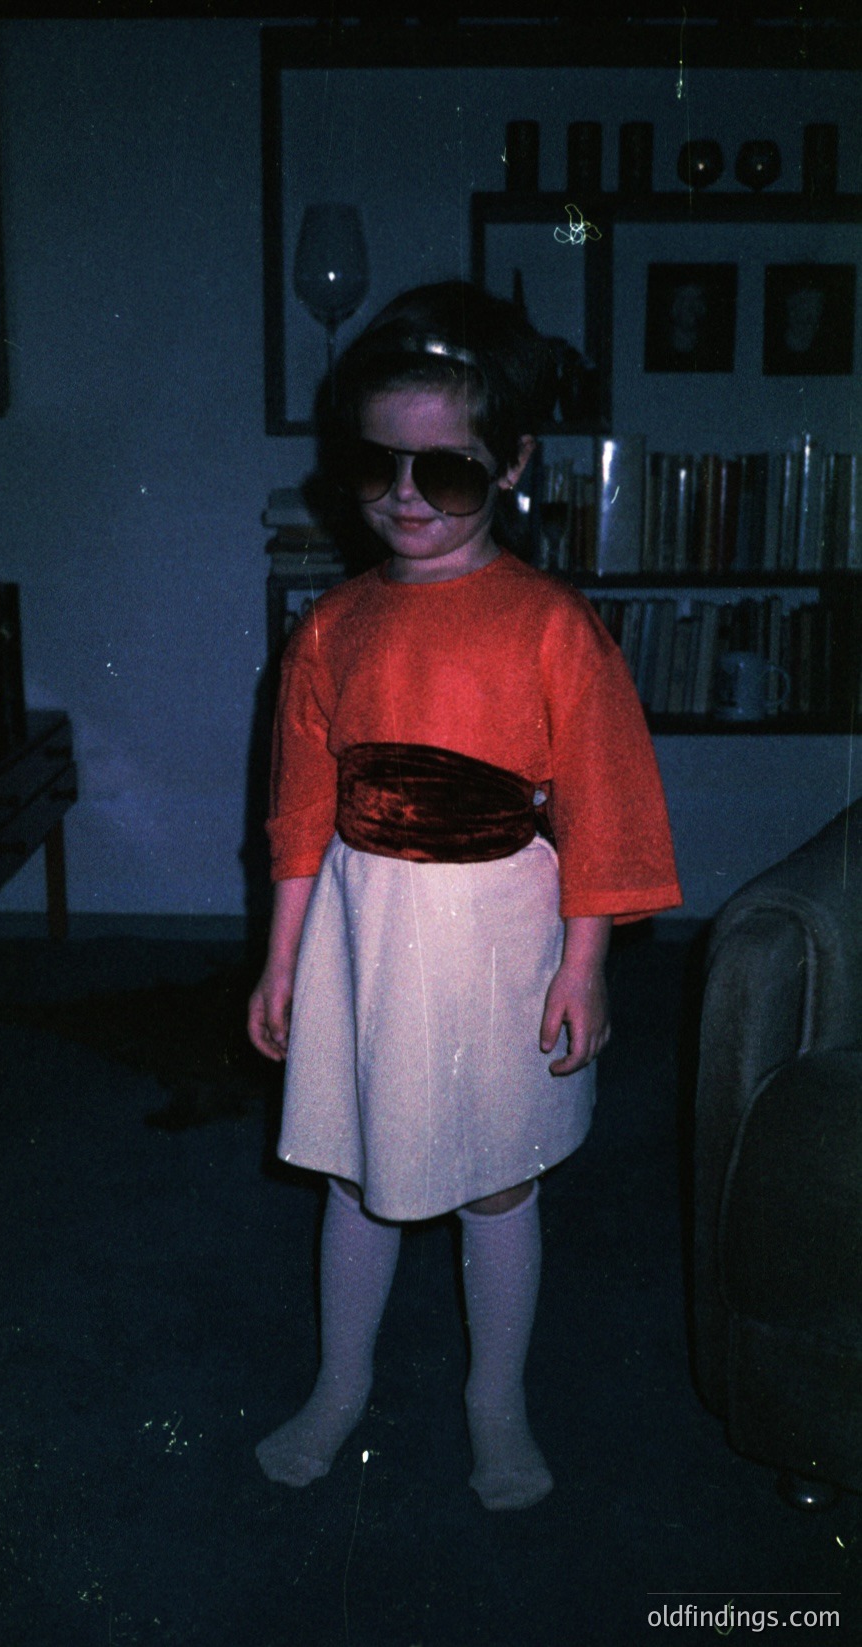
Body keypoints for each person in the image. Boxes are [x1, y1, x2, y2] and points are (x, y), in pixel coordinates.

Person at [247, 281, 681, 1511]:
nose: (404, 496)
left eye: (443, 472)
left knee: (494, 1171)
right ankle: (340, 1384)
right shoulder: (332, 628)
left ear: (511, 466)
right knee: (355, 1167)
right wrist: (280, 958)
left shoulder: (551, 626)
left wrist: (584, 965)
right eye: (376, 466)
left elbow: (603, 803)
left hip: (497, 935)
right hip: (363, 932)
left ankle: (496, 1400)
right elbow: (299, 812)